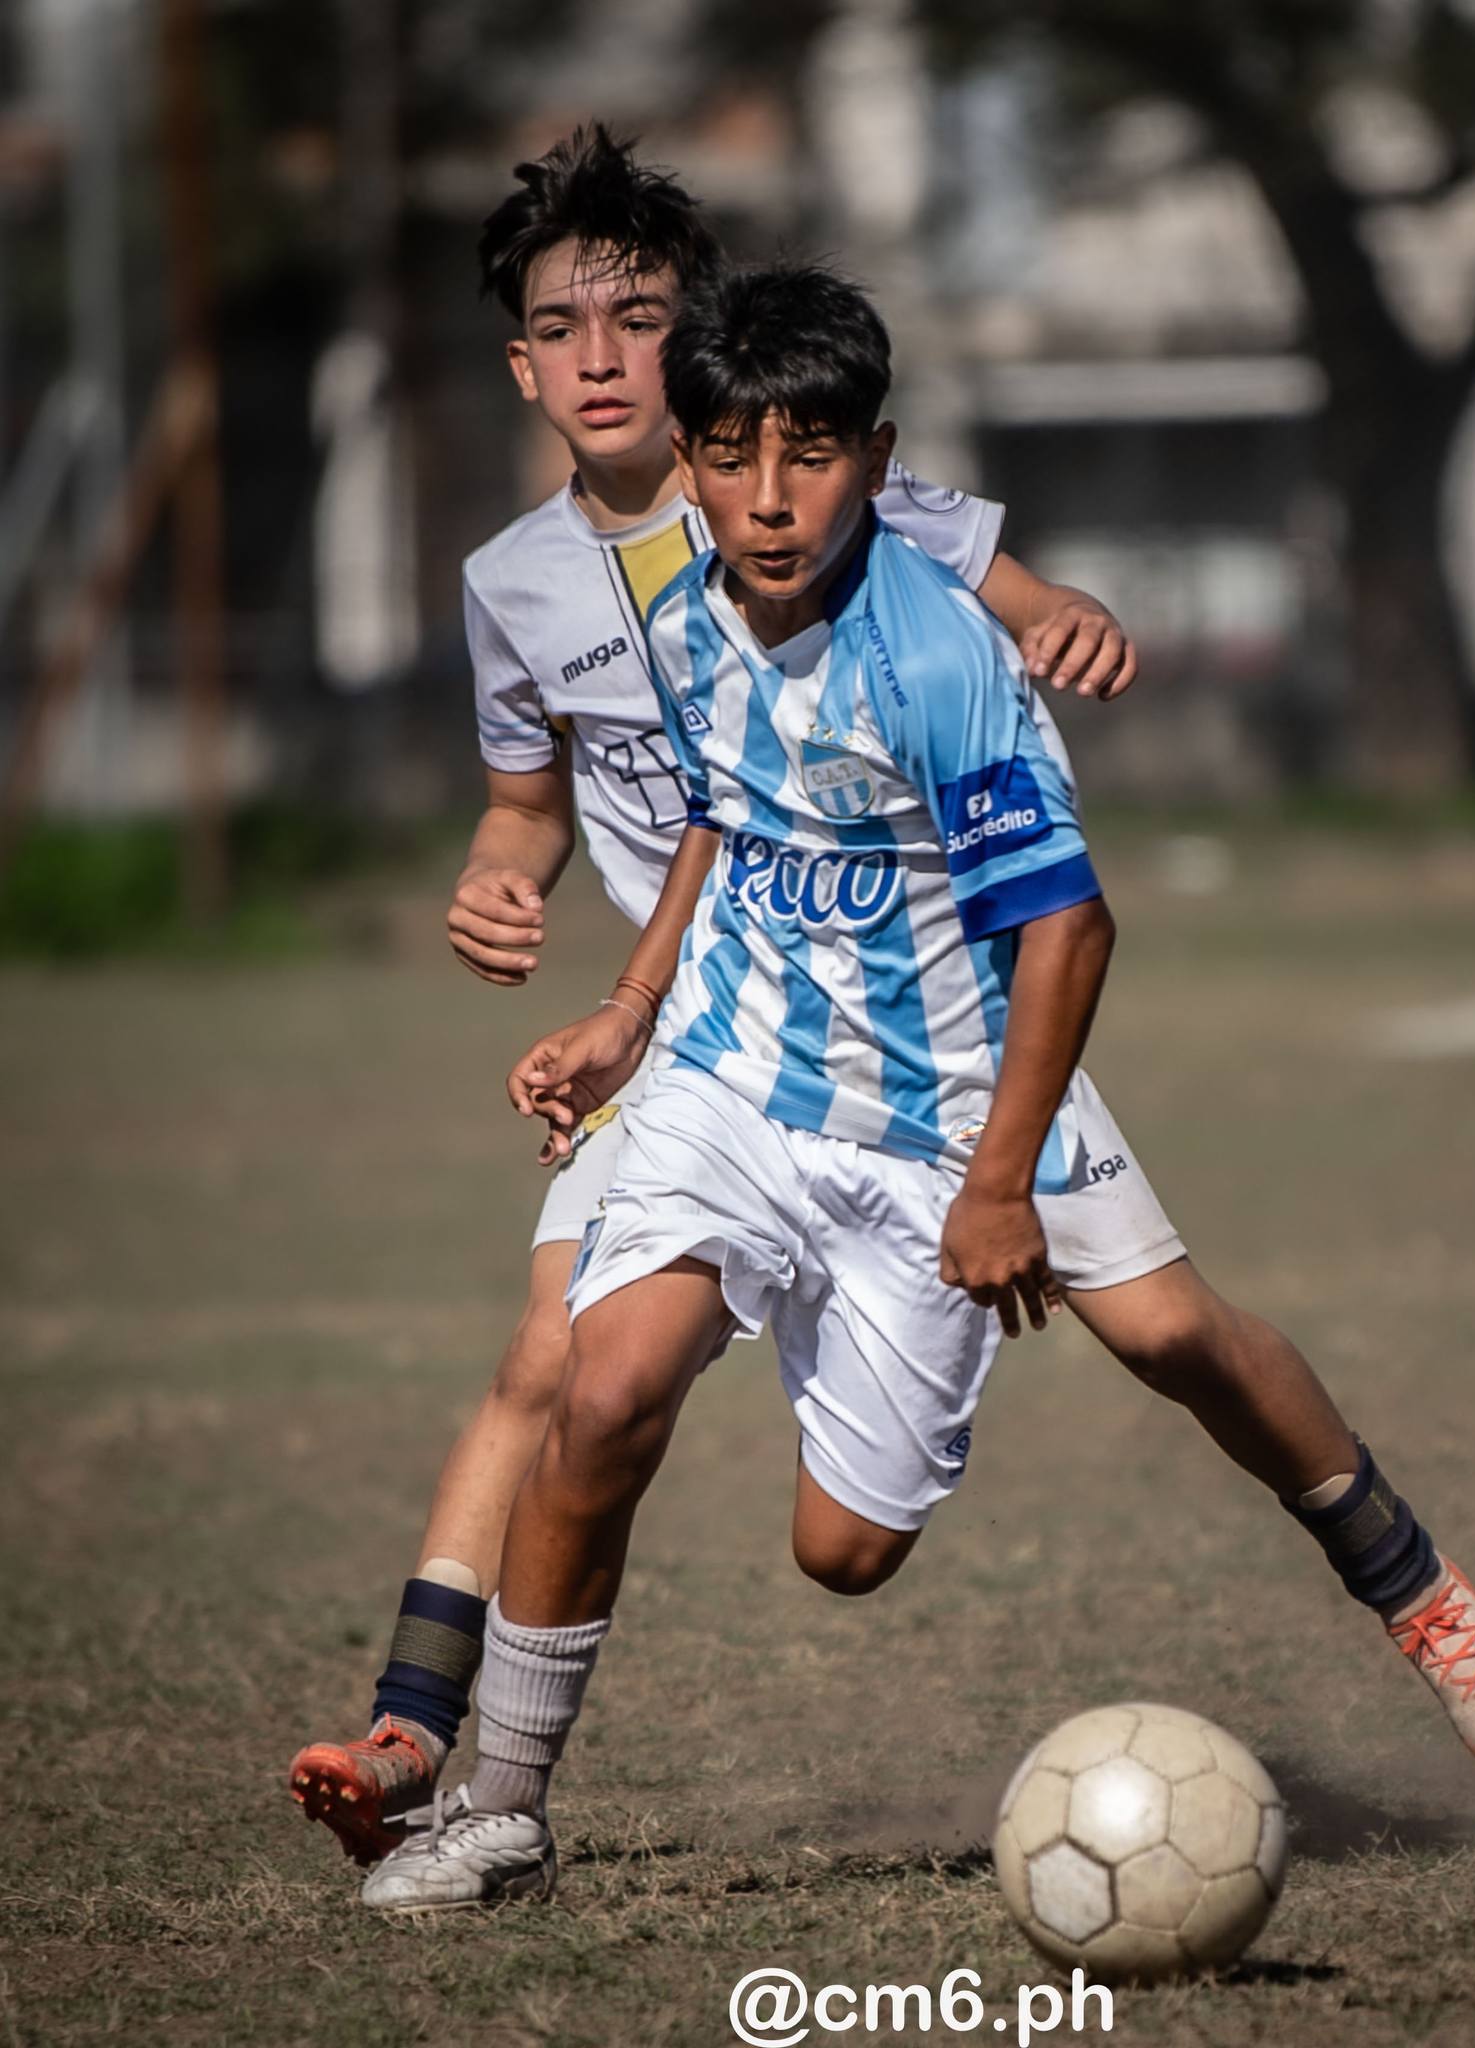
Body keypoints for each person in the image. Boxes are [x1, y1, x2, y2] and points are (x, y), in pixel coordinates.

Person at [351, 263, 1475, 1912]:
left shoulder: (929, 658)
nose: (770, 500)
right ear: (690, 465)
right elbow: (721, 803)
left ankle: (1407, 1577)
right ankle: (497, 1805)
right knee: (602, 1382)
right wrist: (631, 1008)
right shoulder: (686, 600)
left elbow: (1068, 928)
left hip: (964, 1090)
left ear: (877, 452)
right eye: (733, 456)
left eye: (814, 454)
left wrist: (995, 1187)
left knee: (1116, 1374)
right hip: (740, 1078)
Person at [287, 127, 1139, 1864]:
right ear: (519, 360)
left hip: (898, 1012)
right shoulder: (508, 582)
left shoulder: (801, 479)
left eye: (636, 318)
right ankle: (419, 1732)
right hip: (681, 1029)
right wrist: (499, 870)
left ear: (692, 345)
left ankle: (1396, 1568)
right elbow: (528, 796)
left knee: (1171, 1334)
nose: (599, 355)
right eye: (560, 324)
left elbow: (1007, 590)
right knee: (559, 1366)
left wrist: (1061, 620)